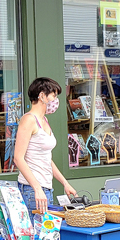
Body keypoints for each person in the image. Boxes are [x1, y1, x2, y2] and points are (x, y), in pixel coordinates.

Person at [14, 77, 77, 215]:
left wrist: (65, 183)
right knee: (37, 234)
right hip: (32, 190)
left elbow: (46, 158)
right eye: (53, 95)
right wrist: (37, 188)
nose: (56, 100)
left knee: (46, 234)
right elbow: (18, 158)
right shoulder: (29, 120)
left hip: (46, 187)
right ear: (42, 96)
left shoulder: (44, 120)